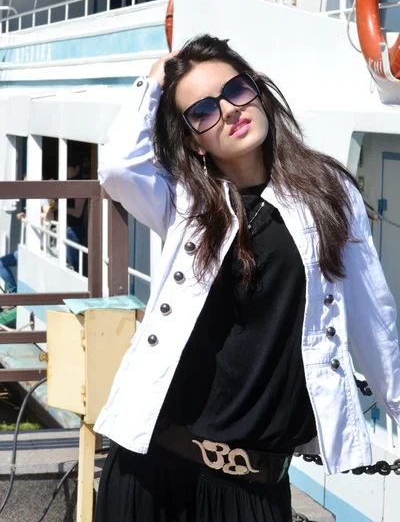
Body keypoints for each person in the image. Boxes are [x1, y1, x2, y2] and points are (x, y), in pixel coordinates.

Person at [94, 35, 400, 522]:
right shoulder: (184, 202)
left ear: (256, 90)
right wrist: (155, 79)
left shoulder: (328, 192)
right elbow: (117, 167)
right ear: (194, 139)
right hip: (151, 467)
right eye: (202, 111)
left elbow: (373, 319)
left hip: (253, 483)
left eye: (236, 90)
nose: (229, 111)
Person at [0, 197, 54, 293]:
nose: (24, 181)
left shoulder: (41, 197)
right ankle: (14, 292)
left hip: (40, 246)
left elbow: (49, 215)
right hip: (30, 246)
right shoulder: (29, 199)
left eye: (25, 180)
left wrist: (30, 216)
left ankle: (14, 292)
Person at [66, 156, 87, 271]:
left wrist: (59, 206)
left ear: (77, 168)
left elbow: (78, 212)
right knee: (69, 265)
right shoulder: (69, 184)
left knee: (73, 266)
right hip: (68, 229)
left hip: (74, 230)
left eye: (68, 169)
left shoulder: (80, 185)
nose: (66, 172)